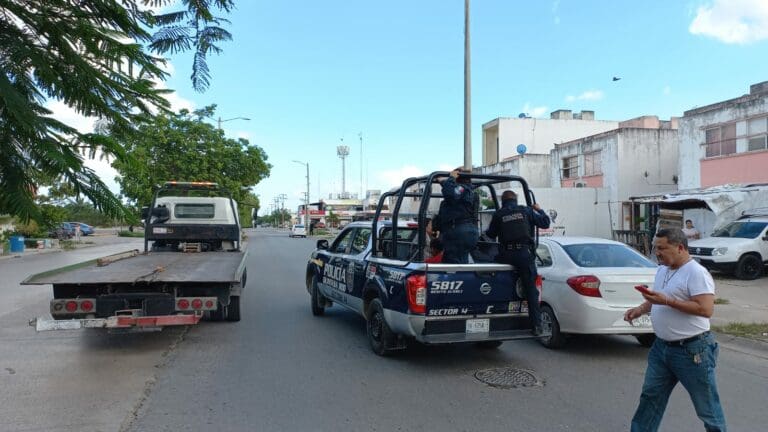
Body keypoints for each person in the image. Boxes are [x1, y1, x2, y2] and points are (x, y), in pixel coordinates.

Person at [624, 228, 726, 432]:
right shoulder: (663, 269)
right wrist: (640, 309)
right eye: (656, 248)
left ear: (680, 248)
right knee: (650, 398)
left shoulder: (696, 273)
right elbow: (658, 298)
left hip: (692, 351)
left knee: (707, 407)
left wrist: (668, 301)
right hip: (661, 348)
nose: (657, 253)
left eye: (662, 248)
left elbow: (705, 309)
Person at [485, 190, 550, 334]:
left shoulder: (499, 214)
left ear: (503, 201)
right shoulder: (526, 211)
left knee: (490, 271)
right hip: (524, 255)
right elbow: (545, 223)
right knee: (531, 290)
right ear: (515, 200)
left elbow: (490, 234)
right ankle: (536, 326)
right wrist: (539, 210)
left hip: (506, 255)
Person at [432, 168, 479, 264]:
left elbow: (451, 194)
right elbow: (453, 191)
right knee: (460, 260)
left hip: (458, 232)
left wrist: (451, 178)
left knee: (453, 263)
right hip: (468, 232)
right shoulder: (469, 191)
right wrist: (444, 182)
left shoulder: (462, 189)